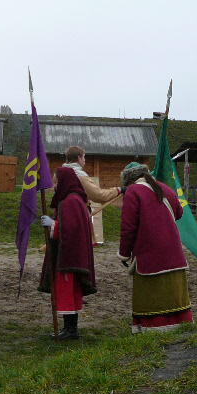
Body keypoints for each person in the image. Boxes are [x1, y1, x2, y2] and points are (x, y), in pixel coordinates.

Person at [117, 162, 193, 333]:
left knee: (149, 296)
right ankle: (179, 325)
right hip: (173, 252)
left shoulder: (133, 192)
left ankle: (154, 329)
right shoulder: (164, 188)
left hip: (149, 255)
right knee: (175, 294)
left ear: (128, 179)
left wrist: (124, 254)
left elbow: (128, 228)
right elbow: (179, 213)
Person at [39, 167, 96, 340]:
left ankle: (70, 330)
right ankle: (69, 328)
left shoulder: (70, 202)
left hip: (68, 258)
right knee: (70, 293)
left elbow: (69, 230)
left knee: (67, 293)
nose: (55, 186)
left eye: (57, 182)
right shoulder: (75, 200)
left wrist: (53, 225)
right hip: (72, 256)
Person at [62, 146, 125, 246]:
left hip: (62, 215)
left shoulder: (59, 173)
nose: (84, 160)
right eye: (84, 157)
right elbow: (99, 196)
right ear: (79, 158)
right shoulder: (79, 176)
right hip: (76, 215)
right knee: (78, 250)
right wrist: (118, 190)